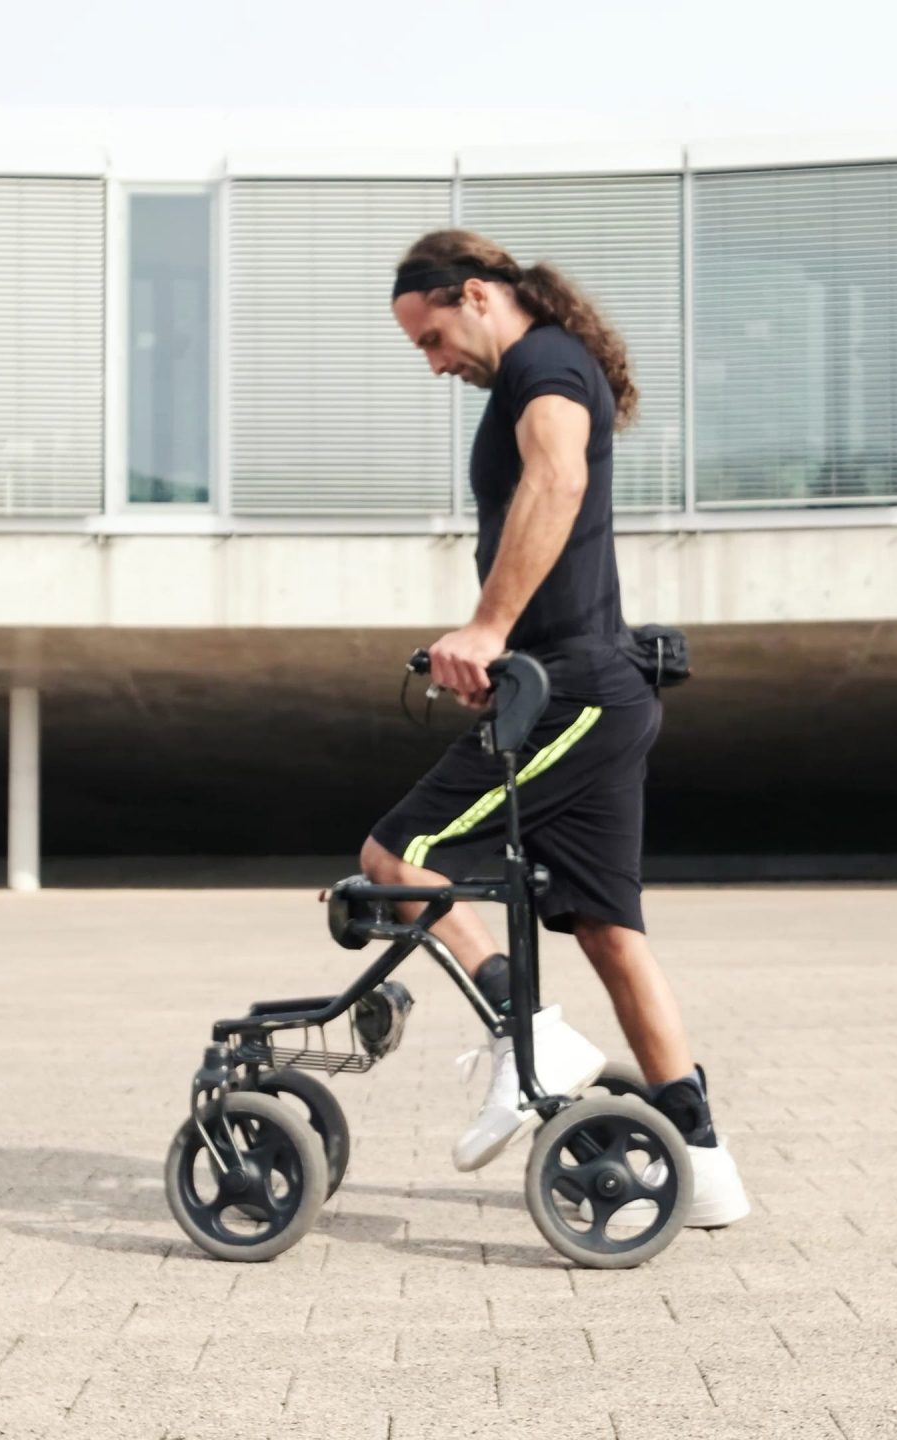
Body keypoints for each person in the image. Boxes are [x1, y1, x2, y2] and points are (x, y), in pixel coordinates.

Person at [359, 229, 746, 1228]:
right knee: (612, 934)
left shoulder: (543, 368)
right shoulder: (540, 370)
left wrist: (488, 629)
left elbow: (559, 480)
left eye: (432, 338)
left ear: (476, 295)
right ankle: (701, 1167)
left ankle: (525, 1032)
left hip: (576, 692)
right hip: (586, 687)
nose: (434, 363)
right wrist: (503, 657)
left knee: (398, 857)